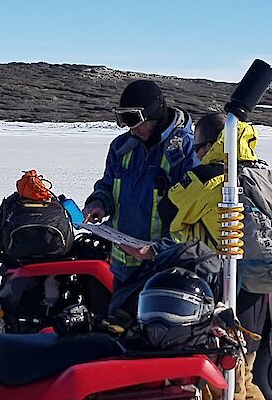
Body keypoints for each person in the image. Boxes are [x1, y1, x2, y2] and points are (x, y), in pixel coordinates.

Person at [163, 112, 272, 400]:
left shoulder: (209, 178)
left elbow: (170, 211)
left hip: (224, 295)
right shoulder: (271, 177)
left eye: (198, 146)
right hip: (262, 298)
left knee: (224, 394)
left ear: (209, 145)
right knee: (245, 379)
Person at [84, 79, 197, 282]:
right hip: (122, 269)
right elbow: (107, 185)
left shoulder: (186, 152)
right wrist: (99, 202)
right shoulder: (121, 147)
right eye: (127, 124)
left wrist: (157, 250)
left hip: (165, 271)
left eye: (137, 123)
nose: (132, 131)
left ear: (156, 114)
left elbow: (196, 219)